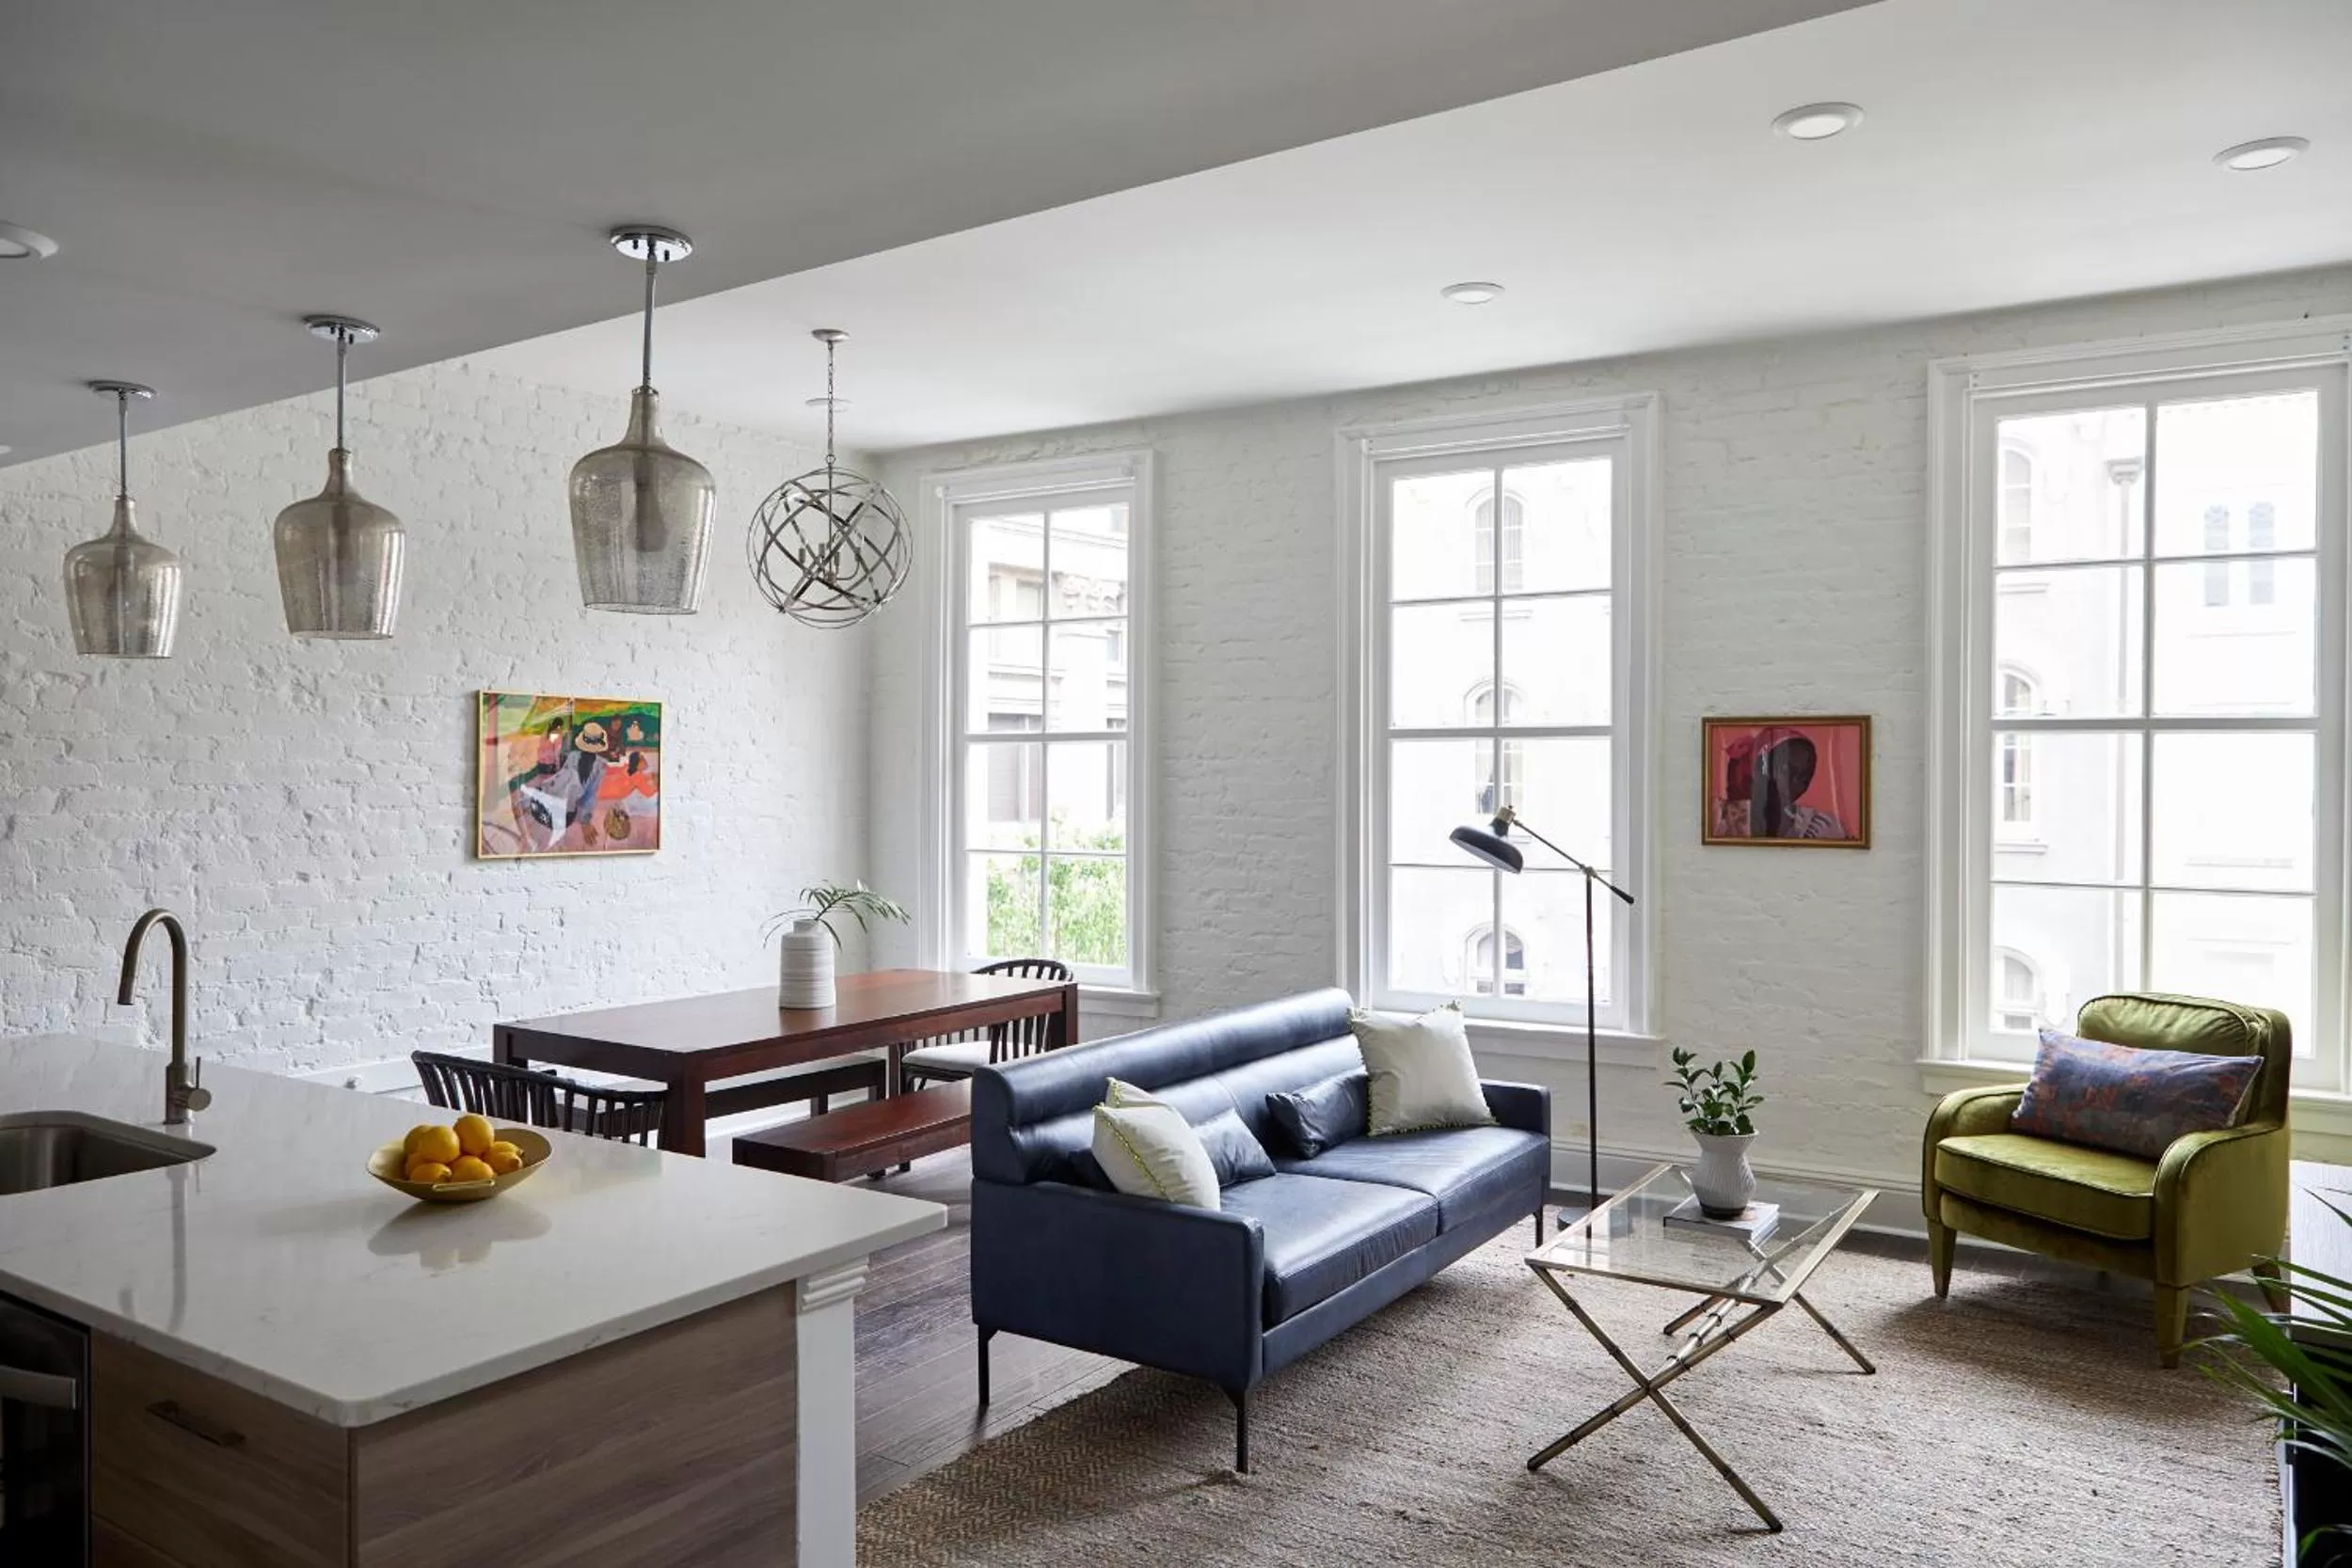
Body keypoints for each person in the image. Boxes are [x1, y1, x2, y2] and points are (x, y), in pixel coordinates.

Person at [1711, 728, 1850, 840]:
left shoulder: (1816, 826)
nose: (1797, 781)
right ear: (1759, 769)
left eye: (1805, 775)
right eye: (1787, 769)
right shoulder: (1717, 818)